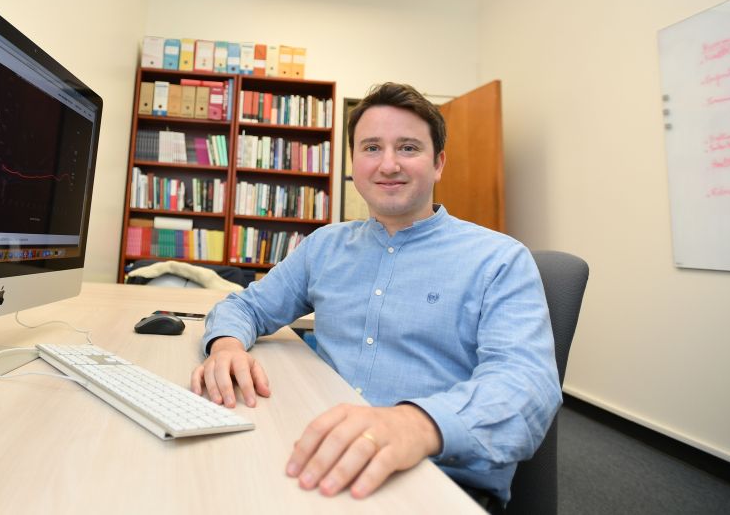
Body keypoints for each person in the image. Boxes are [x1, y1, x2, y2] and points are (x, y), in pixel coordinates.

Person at [191, 82, 561, 507]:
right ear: (353, 164)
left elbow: (526, 385)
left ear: (438, 163)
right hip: (322, 452)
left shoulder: (499, 259)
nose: (388, 165)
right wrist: (226, 345)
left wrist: (416, 425)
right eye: (371, 148)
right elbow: (247, 305)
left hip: (433, 478)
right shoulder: (325, 247)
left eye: (408, 148)